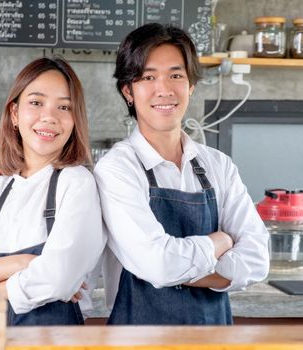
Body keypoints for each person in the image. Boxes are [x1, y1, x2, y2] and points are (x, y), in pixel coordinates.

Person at [94, 23, 269, 325]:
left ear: (190, 86)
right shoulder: (117, 169)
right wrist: (220, 242)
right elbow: (157, 264)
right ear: (128, 91)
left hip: (214, 340)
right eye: (149, 77)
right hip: (138, 342)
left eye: (176, 75)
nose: (164, 89)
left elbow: (257, 259)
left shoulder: (219, 166)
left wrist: (174, 267)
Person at [0, 58, 106, 326]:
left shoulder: (76, 183)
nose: (49, 116)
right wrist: (24, 263)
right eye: (36, 103)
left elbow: (57, 278)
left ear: (75, 120)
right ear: (14, 114)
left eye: (64, 107)